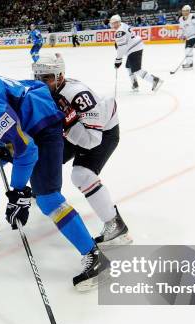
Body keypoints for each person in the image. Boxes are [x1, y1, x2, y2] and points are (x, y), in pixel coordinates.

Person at [0, 57, 110, 291]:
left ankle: (94, 256)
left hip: (43, 126)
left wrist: (18, 192)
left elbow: (26, 150)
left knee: (46, 197)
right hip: (23, 125)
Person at [33, 54, 132, 246]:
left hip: (102, 131)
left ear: (60, 76)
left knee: (82, 174)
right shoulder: (48, 90)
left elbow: (92, 141)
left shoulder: (78, 95)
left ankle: (115, 224)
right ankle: (41, 191)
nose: (41, 83)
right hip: (78, 128)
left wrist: (68, 122)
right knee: (46, 156)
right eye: (38, 77)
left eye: (47, 78)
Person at [110, 14, 163, 92]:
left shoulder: (119, 32)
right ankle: (135, 84)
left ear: (119, 22)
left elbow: (122, 48)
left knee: (137, 70)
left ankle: (155, 80)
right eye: (113, 23)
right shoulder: (123, 25)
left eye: (116, 23)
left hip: (134, 48)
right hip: (135, 46)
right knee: (128, 67)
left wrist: (118, 61)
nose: (114, 25)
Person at [177, 5, 195, 70]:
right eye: (183, 11)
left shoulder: (193, 16)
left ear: (189, 11)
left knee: (188, 50)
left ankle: (190, 64)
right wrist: (181, 35)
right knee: (187, 50)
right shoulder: (181, 19)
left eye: (186, 11)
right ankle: (189, 63)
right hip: (188, 37)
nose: (184, 12)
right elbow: (181, 28)